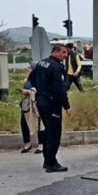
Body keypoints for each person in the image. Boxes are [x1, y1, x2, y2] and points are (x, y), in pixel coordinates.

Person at [28, 43, 72, 172]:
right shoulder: (55, 67)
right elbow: (60, 89)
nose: (66, 55)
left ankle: (47, 160)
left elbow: (32, 79)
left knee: (48, 131)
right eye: (63, 52)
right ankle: (51, 162)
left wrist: (40, 90)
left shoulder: (42, 63)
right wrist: (66, 105)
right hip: (52, 103)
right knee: (54, 133)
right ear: (56, 52)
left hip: (41, 101)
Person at [19, 62, 45, 154]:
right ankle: (27, 143)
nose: (27, 69)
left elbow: (40, 90)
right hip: (26, 104)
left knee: (38, 124)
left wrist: (30, 92)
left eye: (29, 67)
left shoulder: (39, 79)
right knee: (24, 122)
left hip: (36, 104)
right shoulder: (27, 79)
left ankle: (41, 145)